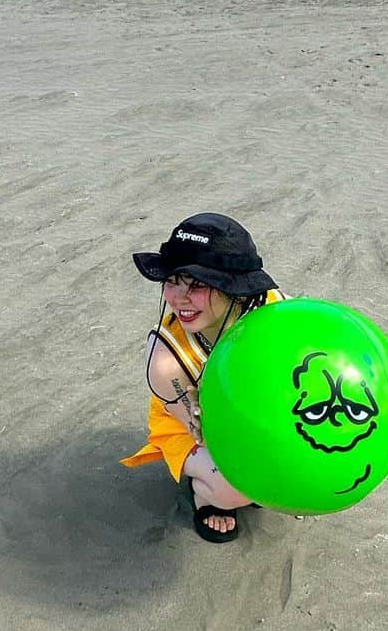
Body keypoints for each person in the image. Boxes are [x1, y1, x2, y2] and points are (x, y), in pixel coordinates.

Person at [121, 214, 283, 542]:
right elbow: (207, 434)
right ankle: (205, 496)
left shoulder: (272, 311)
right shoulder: (165, 361)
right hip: (190, 426)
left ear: (235, 290)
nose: (178, 299)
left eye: (196, 285)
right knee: (238, 485)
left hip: (255, 406)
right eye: (172, 281)